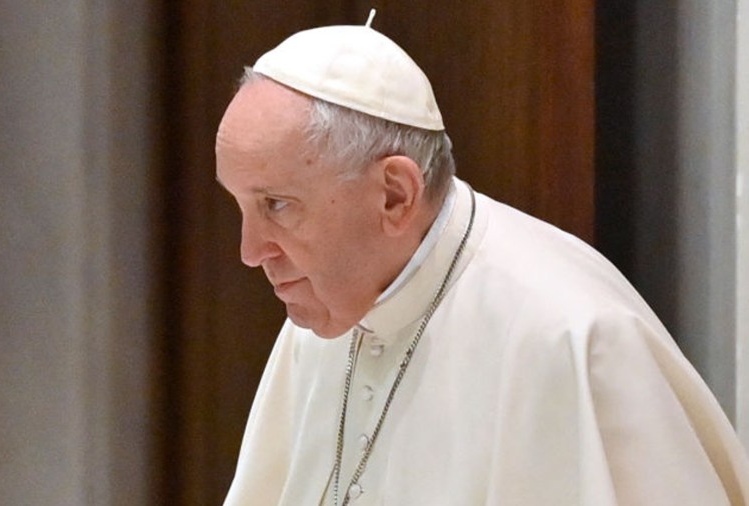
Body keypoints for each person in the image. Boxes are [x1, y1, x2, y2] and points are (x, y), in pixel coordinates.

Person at [215, 20, 749, 506]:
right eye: (240, 205)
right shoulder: (324, 318)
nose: (251, 251)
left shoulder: (568, 338)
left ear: (395, 196)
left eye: (277, 205)